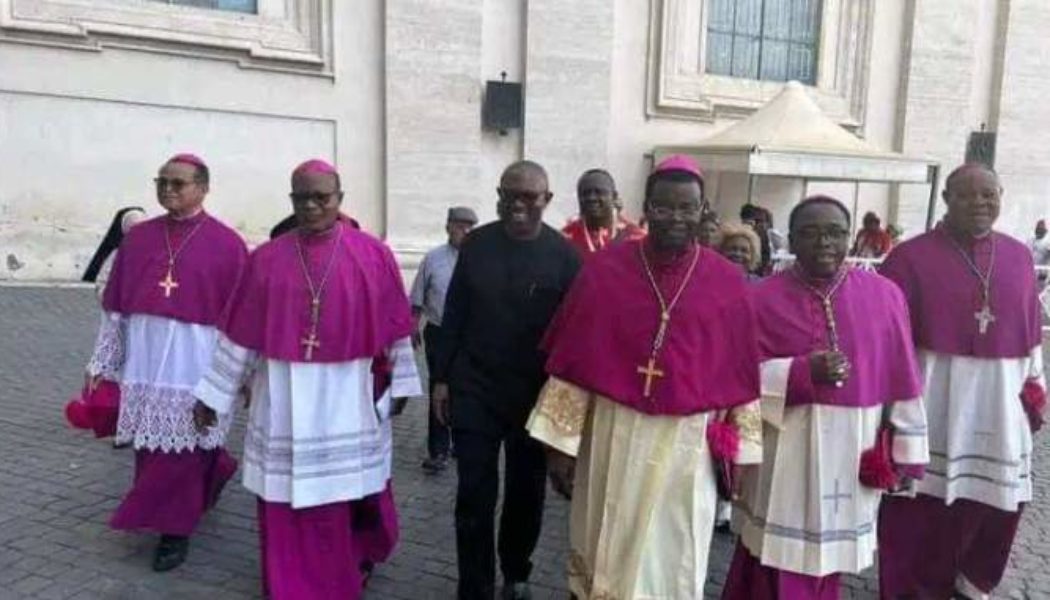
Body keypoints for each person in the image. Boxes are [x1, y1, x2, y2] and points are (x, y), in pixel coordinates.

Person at [526, 155, 763, 599]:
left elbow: (739, 372)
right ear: (646, 208)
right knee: (604, 542)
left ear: (702, 210)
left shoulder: (726, 282)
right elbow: (577, 361)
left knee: (673, 553)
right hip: (612, 433)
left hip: (687, 448)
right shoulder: (605, 271)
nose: (675, 217)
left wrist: (743, 453)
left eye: (687, 207)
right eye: (663, 206)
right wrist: (560, 446)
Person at [193, 159, 421, 600]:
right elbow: (239, 337)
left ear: (340, 198)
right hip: (281, 396)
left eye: (322, 197)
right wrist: (213, 396)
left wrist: (403, 383)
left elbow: (395, 326)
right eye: (303, 198)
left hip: (344, 398)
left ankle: (337, 579)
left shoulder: (372, 255)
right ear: (292, 199)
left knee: (337, 498)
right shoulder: (266, 259)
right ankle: (287, 584)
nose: (313, 205)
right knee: (282, 499)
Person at [721, 195, 928, 599]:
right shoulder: (760, 298)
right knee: (774, 556)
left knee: (828, 560)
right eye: (810, 233)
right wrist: (800, 373)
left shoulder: (885, 295)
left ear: (849, 237)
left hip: (853, 447)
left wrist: (906, 451)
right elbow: (732, 378)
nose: (824, 243)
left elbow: (903, 376)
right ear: (791, 239)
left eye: (835, 233)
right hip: (784, 448)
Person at [877, 163, 1046, 599]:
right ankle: (913, 587)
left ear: (1001, 196)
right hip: (932, 402)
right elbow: (883, 340)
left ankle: (973, 579)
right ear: (947, 199)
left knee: (999, 502)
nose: (979, 203)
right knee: (923, 507)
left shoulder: (1019, 257)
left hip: (1000, 402)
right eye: (967, 195)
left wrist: (1035, 386)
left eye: (989, 194)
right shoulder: (908, 258)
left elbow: (1030, 333)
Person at [83, 153, 247, 571]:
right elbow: (116, 306)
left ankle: (175, 531)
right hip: (146, 357)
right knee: (151, 442)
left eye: (178, 183)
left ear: (203, 188)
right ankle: (210, 477)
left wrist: (237, 374)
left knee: (188, 443)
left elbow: (240, 318)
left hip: (197, 359)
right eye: (162, 182)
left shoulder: (228, 243)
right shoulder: (138, 238)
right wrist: (104, 361)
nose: (168, 190)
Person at [430, 160, 581, 600]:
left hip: (534, 395)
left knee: (525, 492)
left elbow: (573, 334)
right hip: (475, 387)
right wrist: (441, 378)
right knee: (473, 492)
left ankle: (516, 572)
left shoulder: (565, 257)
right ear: (498, 196)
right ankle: (474, 585)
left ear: (546, 200)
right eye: (508, 195)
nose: (517, 204)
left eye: (528, 197)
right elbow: (454, 313)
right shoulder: (476, 244)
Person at [67, 207, 148, 441]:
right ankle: (118, 422)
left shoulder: (155, 253)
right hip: (118, 322)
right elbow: (102, 284)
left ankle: (138, 421)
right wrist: (117, 301)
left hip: (144, 324)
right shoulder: (116, 255)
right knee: (116, 370)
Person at [410, 206, 479, 473]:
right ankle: (438, 450)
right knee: (438, 387)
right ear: (448, 227)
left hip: (469, 335)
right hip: (439, 332)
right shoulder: (433, 258)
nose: (465, 231)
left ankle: (461, 443)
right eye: (460, 225)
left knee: (466, 389)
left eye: (470, 226)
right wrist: (413, 325)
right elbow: (417, 296)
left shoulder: (481, 258)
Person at [562, 168, 645, 256]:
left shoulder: (636, 237)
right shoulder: (565, 239)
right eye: (585, 193)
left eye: (599, 192)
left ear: (614, 196)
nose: (591, 198)